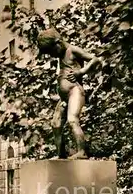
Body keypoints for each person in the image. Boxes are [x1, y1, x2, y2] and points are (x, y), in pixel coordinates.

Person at [38, 28, 102, 159]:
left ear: (58, 43)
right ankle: (60, 154)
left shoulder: (72, 50)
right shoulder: (61, 55)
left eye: (51, 52)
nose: (52, 55)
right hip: (65, 97)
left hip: (75, 91)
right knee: (55, 124)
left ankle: (82, 152)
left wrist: (81, 72)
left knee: (72, 120)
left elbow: (95, 59)